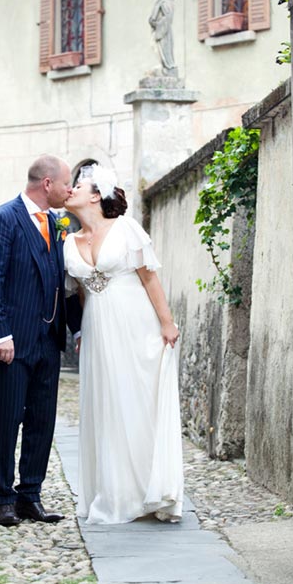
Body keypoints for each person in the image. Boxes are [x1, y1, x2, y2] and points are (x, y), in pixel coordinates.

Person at [63, 164, 183, 524]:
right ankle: (115, 494)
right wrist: (82, 333)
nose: (71, 190)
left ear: (97, 194)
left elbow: (149, 278)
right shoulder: (69, 242)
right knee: (106, 405)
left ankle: (150, 489)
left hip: (136, 324)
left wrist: (167, 322)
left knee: (137, 401)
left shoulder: (126, 228)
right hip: (98, 328)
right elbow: (82, 292)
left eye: (78, 185)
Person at [0, 154, 82, 527]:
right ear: (47, 184)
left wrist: (76, 330)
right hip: (11, 343)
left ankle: (29, 496)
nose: (70, 190)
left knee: (42, 421)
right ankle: (3, 498)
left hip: (48, 342)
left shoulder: (58, 225)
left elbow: (65, 287)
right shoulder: (2, 219)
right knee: (7, 419)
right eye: (67, 183)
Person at [149, 0, 176, 73]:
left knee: (162, 49)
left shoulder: (165, 1)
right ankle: (163, 66)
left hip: (163, 32)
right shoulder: (162, 1)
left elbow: (168, 17)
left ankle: (166, 67)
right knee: (156, 48)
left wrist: (157, 24)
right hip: (160, 30)